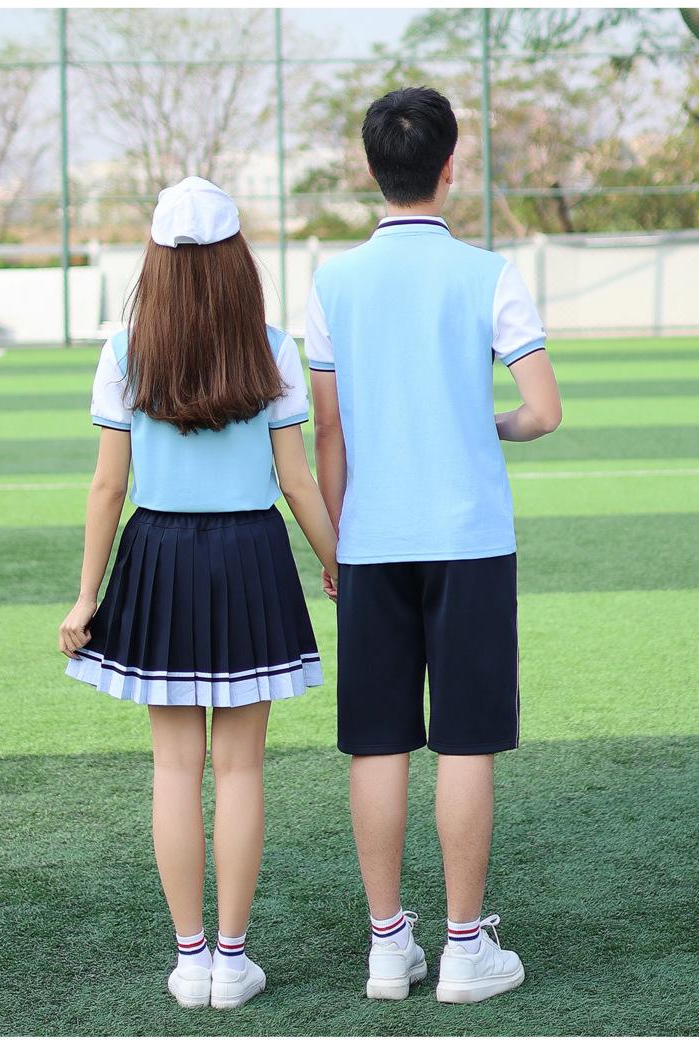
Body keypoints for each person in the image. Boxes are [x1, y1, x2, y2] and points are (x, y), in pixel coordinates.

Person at [305, 87, 562, 1004]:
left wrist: (336, 545)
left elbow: (328, 432)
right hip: (469, 540)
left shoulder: (331, 281)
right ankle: (462, 949)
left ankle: (387, 948)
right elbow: (544, 411)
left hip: (370, 539)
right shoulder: (489, 272)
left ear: (372, 168)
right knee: (464, 741)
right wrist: (488, 422)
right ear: (451, 167)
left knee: (376, 743)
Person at [59, 177, 338, 1011]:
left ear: (156, 258)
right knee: (241, 767)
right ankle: (232, 962)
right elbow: (297, 480)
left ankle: (190, 964)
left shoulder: (124, 353)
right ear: (235, 259)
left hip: (159, 556)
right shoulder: (272, 349)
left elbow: (108, 488)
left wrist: (85, 597)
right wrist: (339, 566)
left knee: (175, 769)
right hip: (251, 556)